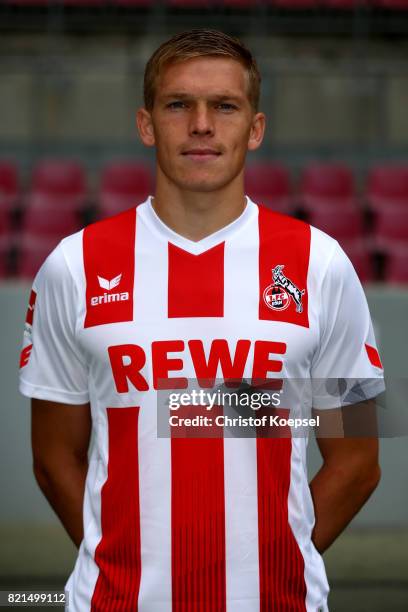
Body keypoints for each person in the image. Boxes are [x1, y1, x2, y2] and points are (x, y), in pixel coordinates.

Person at [19, 29, 385, 612]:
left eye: (224, 106)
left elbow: (358, 462)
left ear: (255, 128)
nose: (201, 125)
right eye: (178, 104)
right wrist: (117, 560)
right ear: (146, 125)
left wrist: (284, 558)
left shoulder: (322, 265)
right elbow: (52, 457)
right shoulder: (73, 266)